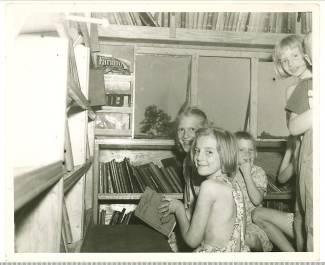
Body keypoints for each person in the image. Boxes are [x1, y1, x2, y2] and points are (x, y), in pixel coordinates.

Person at [159, 127, 249, 252]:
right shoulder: (235, 185)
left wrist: (179, 209)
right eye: (197, 150)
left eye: (209, 152)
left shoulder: (208, 187)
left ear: (225, 155)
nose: (199, 157)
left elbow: (192, 241)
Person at [284, 32, 313, 252]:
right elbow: (294, 132)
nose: (290, 63)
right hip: (304, 155)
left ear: (306, 56)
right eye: (284, 60)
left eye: (295, 56)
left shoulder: (310, 82)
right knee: (301, 220)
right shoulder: (294, 89)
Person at [168, 106, 208, 251]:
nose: (185, 135)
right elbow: (190, 205)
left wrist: (179, 210)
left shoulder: (205, 166)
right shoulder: (187, 161)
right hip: (196, 225)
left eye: (193, 130)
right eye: (181, 129)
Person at [252, 136, 298, 252]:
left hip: (312, 222)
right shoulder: (301, 152)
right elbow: (282, 178)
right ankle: (293, 257)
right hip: (300, 220)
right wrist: (290, 149)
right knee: (257, 214)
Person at [233, 131, 273, 252]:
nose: (247, 154)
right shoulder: (227, 173)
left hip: (253, 224)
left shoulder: (258, 172)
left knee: (248, 240)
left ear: (255, 153)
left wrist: (247, 175)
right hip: (231, 223)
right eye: (241, 150)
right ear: (232, 153)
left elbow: (257, 200)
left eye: (251, 150)